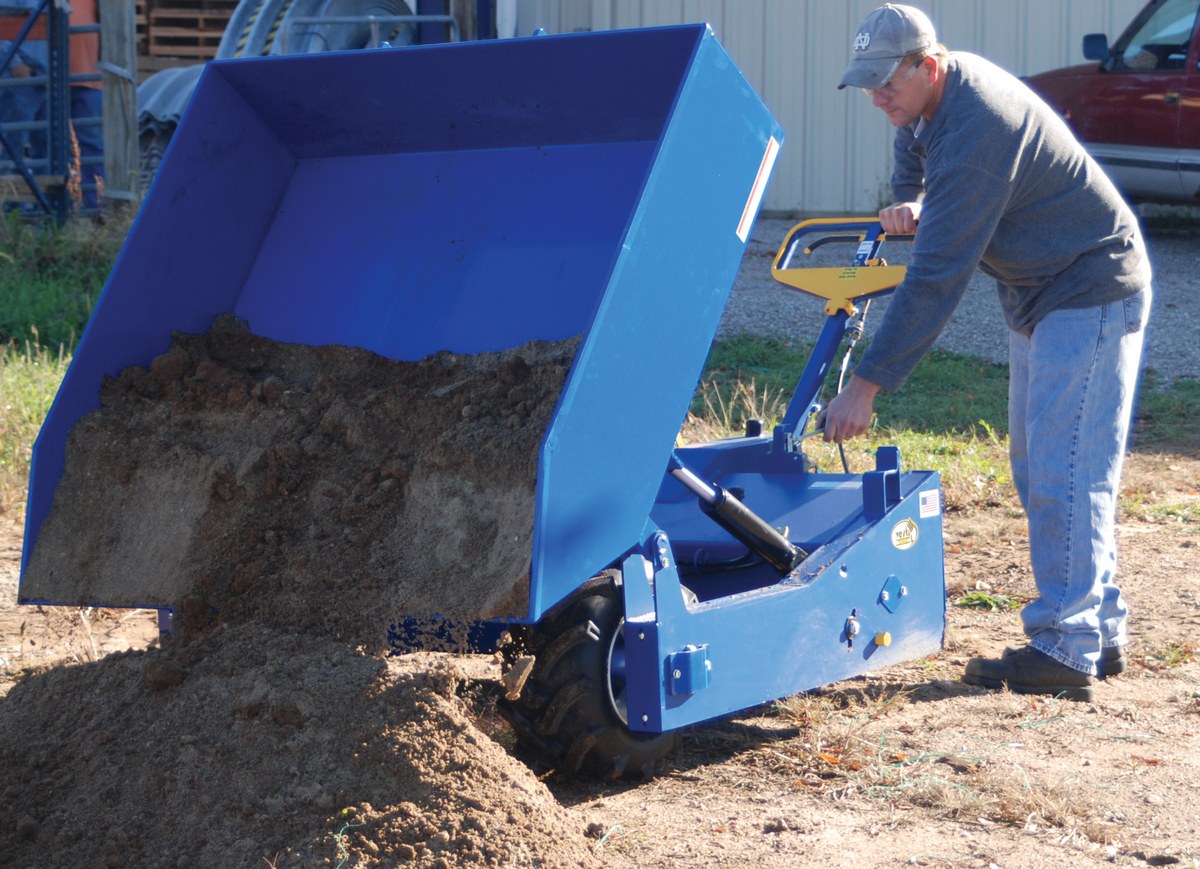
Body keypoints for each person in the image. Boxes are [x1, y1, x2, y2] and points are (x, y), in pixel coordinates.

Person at [825, 4, 1152, 701]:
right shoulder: (925, 106)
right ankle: (1097, 628)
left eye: (887, 81)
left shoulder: (978, 125)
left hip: (1088, 286)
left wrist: (867, 385)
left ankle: (1066, 647)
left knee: (1065, 469)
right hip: (1042, 292)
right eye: (868, 84)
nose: (877, 96)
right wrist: (912, 199)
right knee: (1044, 465)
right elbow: (912, 150)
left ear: (928, 65)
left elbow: (937, 276)